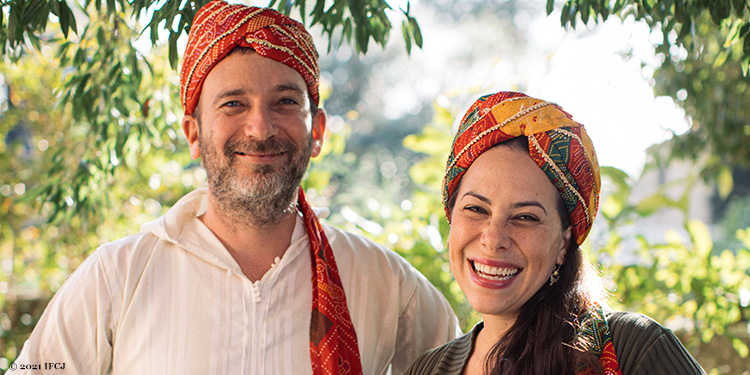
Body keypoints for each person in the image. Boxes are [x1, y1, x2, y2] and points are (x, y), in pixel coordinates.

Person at [9, 1, 459, 374]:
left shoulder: (382, 281)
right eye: (233, 104)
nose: (260, 128)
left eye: (284, 102)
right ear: (193, 133)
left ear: (316, 130)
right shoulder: (119, 275)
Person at [404, 91, 706, 375]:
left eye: (525, 217)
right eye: (476, 209)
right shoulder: (427, 369)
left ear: (564, 243)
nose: (493, 238)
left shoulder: (635, 349)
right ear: (451, 218)